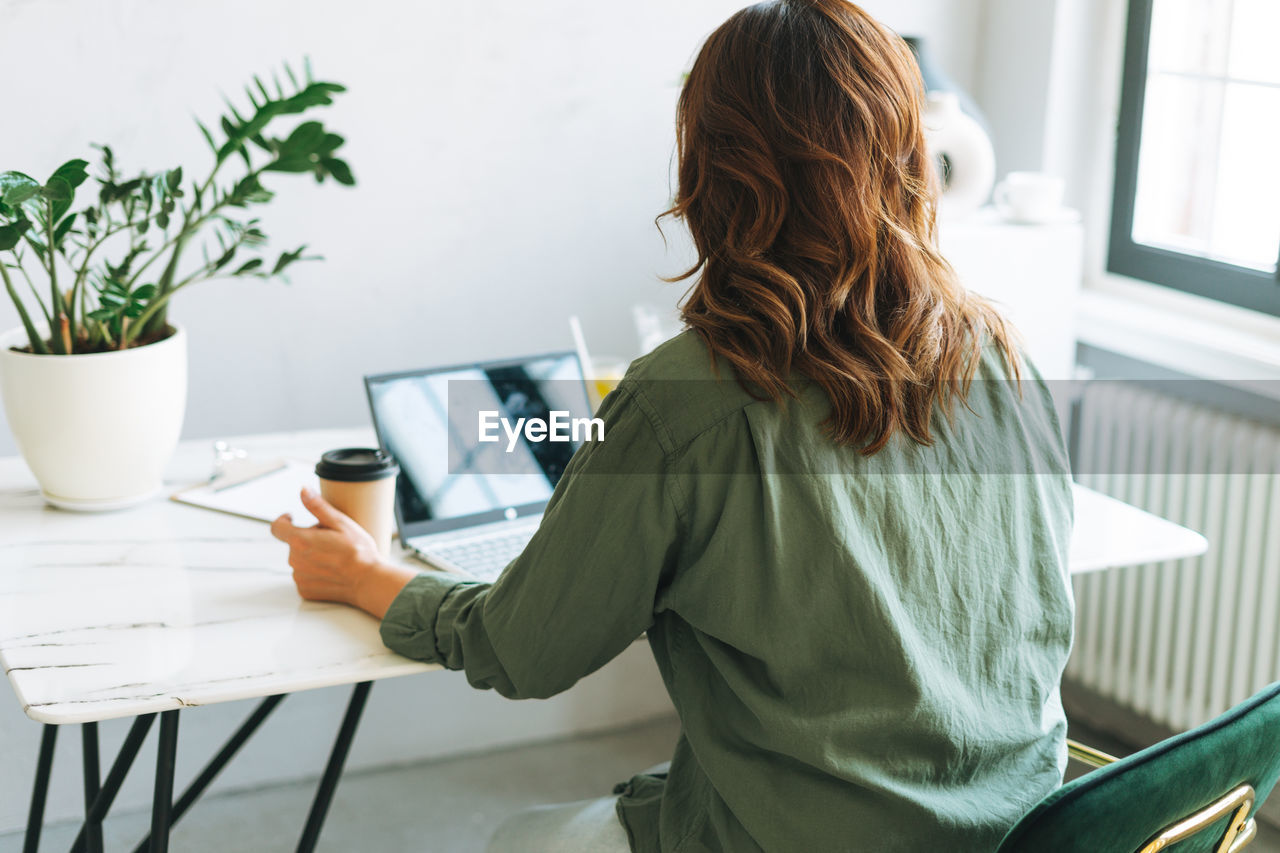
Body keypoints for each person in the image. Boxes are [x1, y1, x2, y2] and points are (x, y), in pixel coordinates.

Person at [269, 1, 1075, 850]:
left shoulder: (684, 399)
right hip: (1019, 829)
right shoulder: (999, 355)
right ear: (909, 157)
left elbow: (524, 650)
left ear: (714, 172)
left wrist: (370, 579)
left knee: (518, 839)